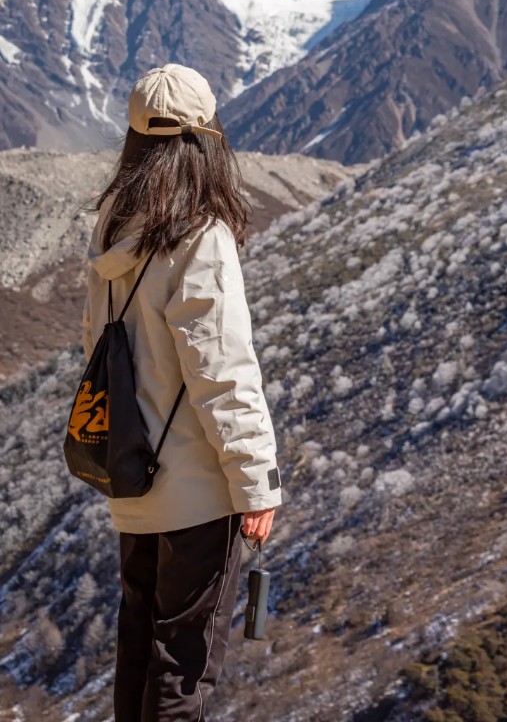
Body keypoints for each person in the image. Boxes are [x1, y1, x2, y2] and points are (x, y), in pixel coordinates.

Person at [81, 62, 282, 722]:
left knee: (138, 646)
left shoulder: (113, 225)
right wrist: (255, 485)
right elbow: (223, 374)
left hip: (133, 479)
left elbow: (97, 349)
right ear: (207, 141)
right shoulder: (201, 235)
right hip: (197, 488)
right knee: (184, 666)